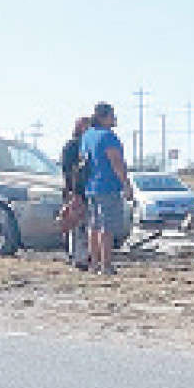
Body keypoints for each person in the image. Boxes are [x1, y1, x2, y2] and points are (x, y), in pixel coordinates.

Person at [79, 101, 133, 275]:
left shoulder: (87, 136)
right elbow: (116, 161)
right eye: (111, 115)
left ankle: (94, 263)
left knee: (93, 226)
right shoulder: (108, 137)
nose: (114, 118)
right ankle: (106, 265)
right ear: (103, 117)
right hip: (107, 186)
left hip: (91, 187)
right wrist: (126, 184)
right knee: (106, 227)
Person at [60, 116, 91, 270]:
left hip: (85, 190)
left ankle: (82, 256)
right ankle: (77, 257)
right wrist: (73, 192)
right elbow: (69, 171)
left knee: (84, 225)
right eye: (86, 126)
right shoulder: (72, 146)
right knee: (76, 224)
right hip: (75, 190)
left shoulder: (87, 145)